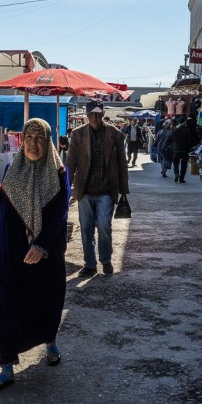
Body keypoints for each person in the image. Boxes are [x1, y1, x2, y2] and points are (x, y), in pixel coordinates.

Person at [0, 118, 70, 393]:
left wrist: (41, 245)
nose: (33, 144)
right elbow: (1, 212)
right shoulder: (12, 169)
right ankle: (7, 368)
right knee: (9, 304)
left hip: (44, 255)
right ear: (23, 141)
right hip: (12, 250)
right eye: (29, 138)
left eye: (40, 138)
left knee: (47, 300)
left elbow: (60, 215)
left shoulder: (58, 172)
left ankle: (51, 343)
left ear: (48, 142)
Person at [66, 98, 129, 277]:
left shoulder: (115, 134)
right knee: (86, 229)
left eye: (98, 114)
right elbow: (70, 162)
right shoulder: (78, 134)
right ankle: (90, 264)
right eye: (91, 114)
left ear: (103, 114)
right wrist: (67, 188)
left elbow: (122, 164)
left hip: (106, 191)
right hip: (84, 190)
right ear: (86, 115)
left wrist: (123, 190)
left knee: (104, 226)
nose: (95, 117)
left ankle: (106, 260)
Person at [171, 117, 196, 183]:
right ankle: (181, 178)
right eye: (186, 121)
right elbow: (190, 141)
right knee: (184, 164)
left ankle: (176, 174)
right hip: (185, 150)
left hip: (176, 149)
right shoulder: (188, 131)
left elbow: (172, 139)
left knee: (175, 163)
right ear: (184, 122)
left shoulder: (175, 130)